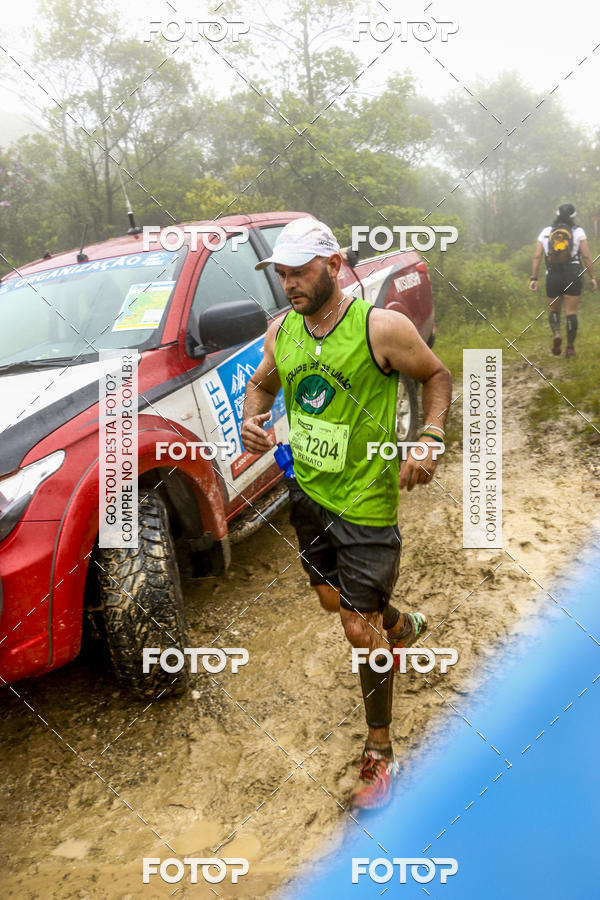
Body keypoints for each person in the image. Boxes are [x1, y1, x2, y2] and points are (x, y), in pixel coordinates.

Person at [241, 217, 452, 810]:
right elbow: (265, 384)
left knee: (358, 629)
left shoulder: (380, 328)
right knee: (334, 602)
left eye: (301, 271)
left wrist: (429, 438)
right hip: (306, 491)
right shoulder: (281, 330)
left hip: (366, 501)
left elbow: (437, 375)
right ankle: (401, 623)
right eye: (281, 274)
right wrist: (254, 417)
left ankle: (380, 749)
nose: (289, 284)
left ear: (333, 266)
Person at [530, 203, 597, 357]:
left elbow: (537, 256)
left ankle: (556, 334)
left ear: (557, 214)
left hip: (553, 274)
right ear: (573, 216)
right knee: (571, 312)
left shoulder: (546, 232)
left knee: (554, 310)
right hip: (572, 273)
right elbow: (586, 256)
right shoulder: (578, 231)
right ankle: (570, 348)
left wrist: (534, 278)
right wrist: (592, 277)